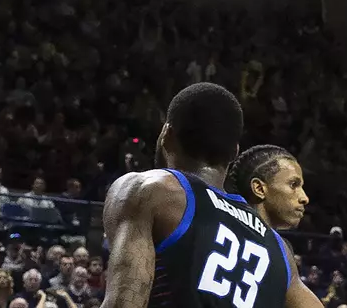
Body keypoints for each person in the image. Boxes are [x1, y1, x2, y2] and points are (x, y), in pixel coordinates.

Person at [96, 83, 315, 308]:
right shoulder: (280, 251)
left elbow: (125, 303)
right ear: (234, 152)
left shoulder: (149, 191)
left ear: (167, 134)